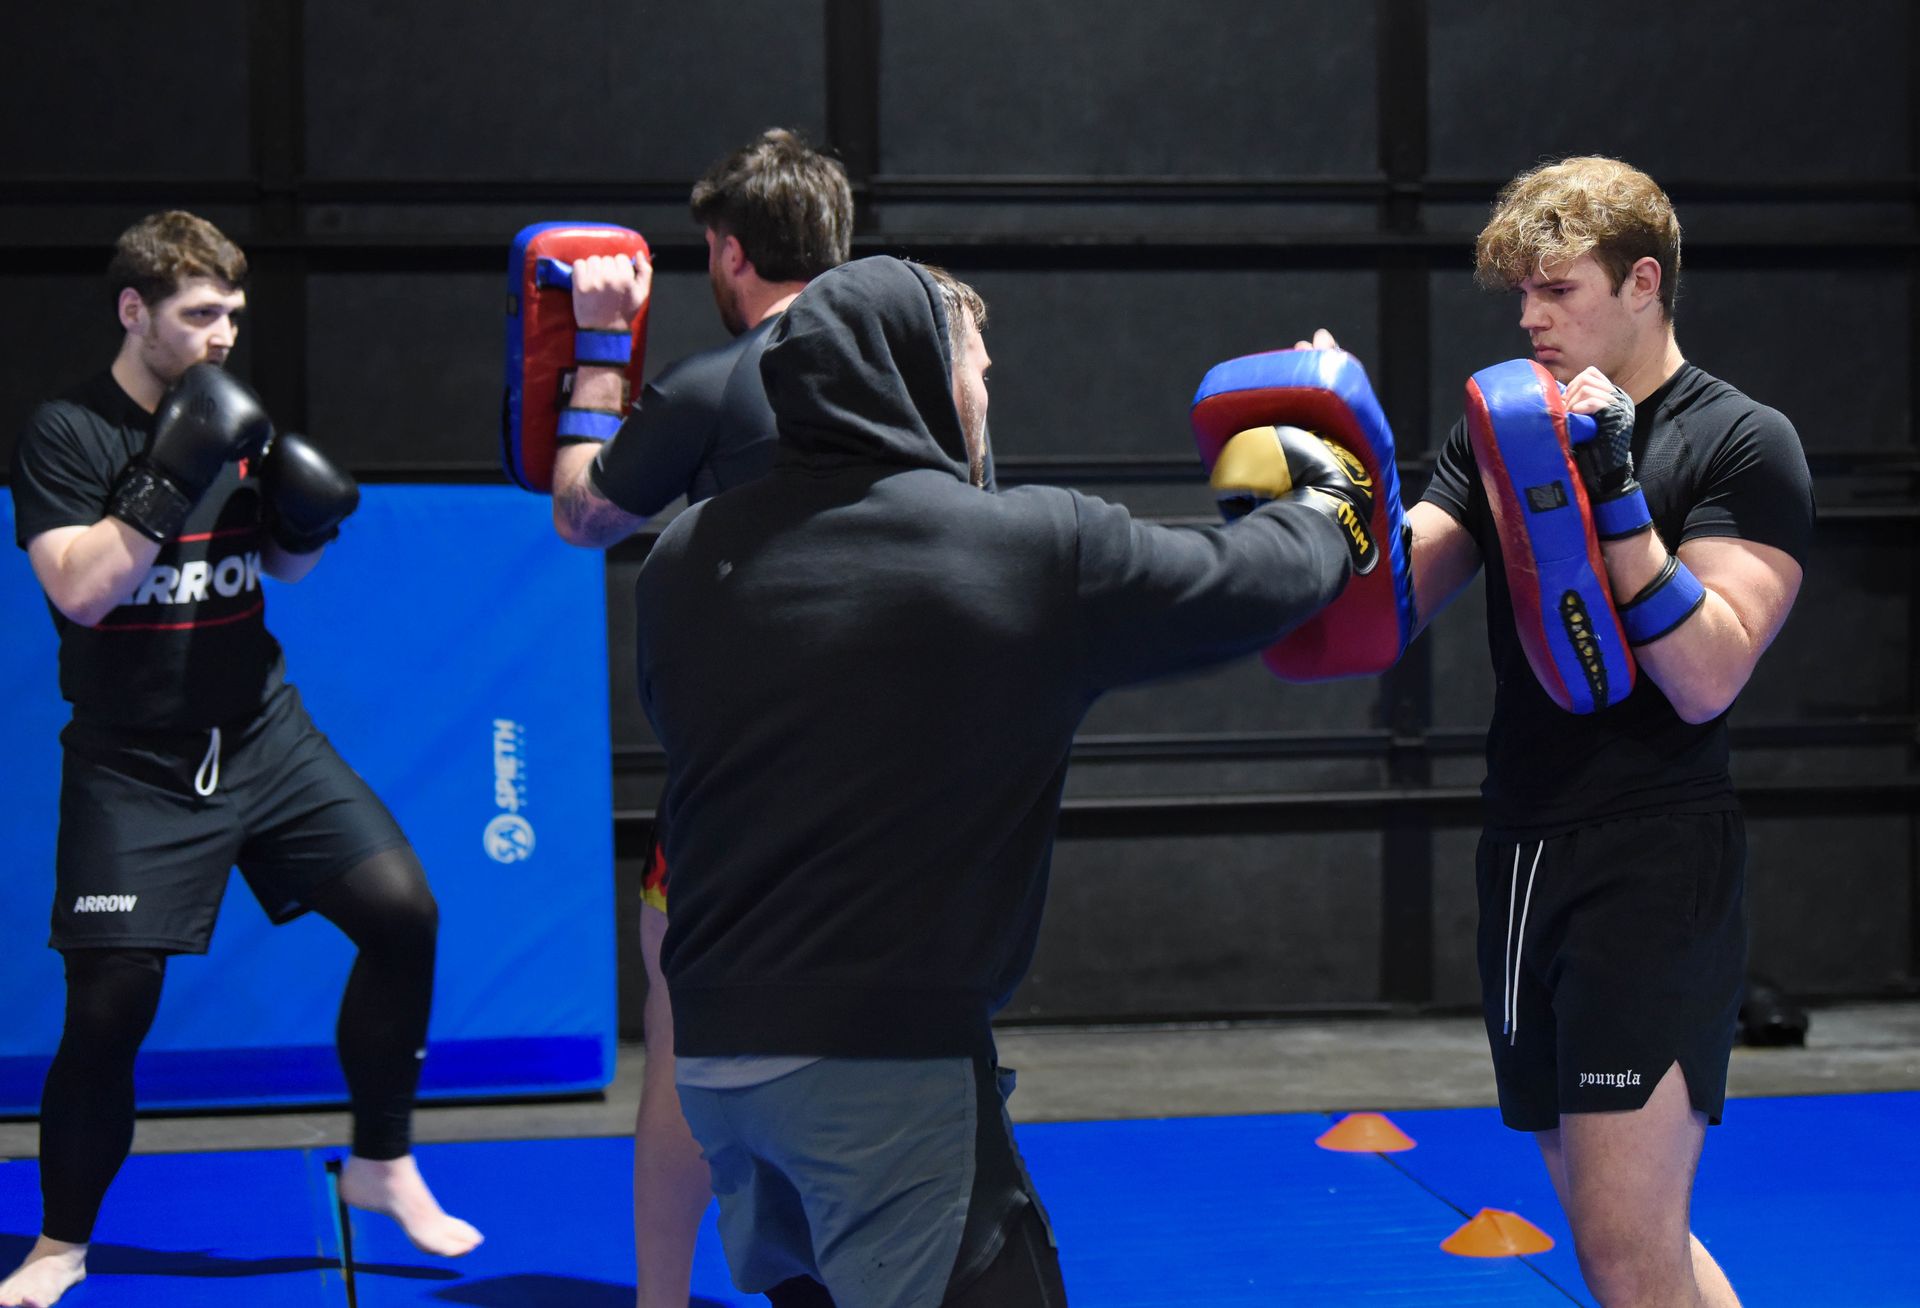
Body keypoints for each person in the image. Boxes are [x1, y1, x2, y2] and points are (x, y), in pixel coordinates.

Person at [634, 254, 1382, 1307]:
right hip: (876, 1062)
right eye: (977, 369)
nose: (986, 397)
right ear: (923, 378)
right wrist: (1328, 485)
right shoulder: (1017, 550)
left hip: (714, 1064)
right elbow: (1252, 583)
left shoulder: (680, 561)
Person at [1324, 156, 1812, 1304]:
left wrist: (1618, 497)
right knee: (1624, 1247)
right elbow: (1384, 610)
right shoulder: (1501, 432)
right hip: (1526, 850)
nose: (1533, 320)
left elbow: (1706, 677)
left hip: (1654, 856)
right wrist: (1325, 487)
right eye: (1522, 298)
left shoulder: (1743, 441)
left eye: (1560, 291)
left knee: (1629, 1253)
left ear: (1644, 282)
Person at [2, 211, 479, 1308]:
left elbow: (280, 573)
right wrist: (171, 476)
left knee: (404, 913)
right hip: (133, 763)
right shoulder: (66, 432)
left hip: (262, 734)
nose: (223, 335)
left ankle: (381, 1161)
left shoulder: (236, 419)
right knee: (108, 1012)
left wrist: (303, 522)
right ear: (136, 311)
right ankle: (61, 1241)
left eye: (233, 314)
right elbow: (79, 590)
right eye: (200, 314)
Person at [545, 128, 853, 1308]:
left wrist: (603, 350)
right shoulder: (927, 377)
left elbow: (583, 515)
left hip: (744, 785)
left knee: (679, 1056)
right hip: (898, 784)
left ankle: (661, 1304)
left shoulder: (719, 385)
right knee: (890, 1052)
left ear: (728, 251)